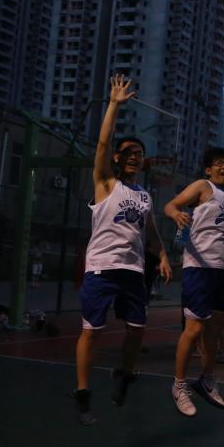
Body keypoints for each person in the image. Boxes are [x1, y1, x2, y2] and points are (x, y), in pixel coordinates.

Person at [74, 75, 172, 425]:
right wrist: (114, 105)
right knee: (92, 332)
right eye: (129, 152)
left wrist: (163, 256)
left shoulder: (144, 196)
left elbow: (151, 232)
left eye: (139, 154)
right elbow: (102, 145)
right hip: (102, 267)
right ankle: (83, 393)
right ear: (117, 157)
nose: (134, 157)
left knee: (137, 329)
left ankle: (126, 374)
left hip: (133, 271)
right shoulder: (105, 183)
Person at [163, 147, 224, 417]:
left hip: (222, 271)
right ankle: (178, 385)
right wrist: (176, 214)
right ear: (208, 169)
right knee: (194, 329)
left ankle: (207, 380)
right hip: (199, 268)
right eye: (220, 163)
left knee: (215, 332)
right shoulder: (202, 186)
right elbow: (170, 205)